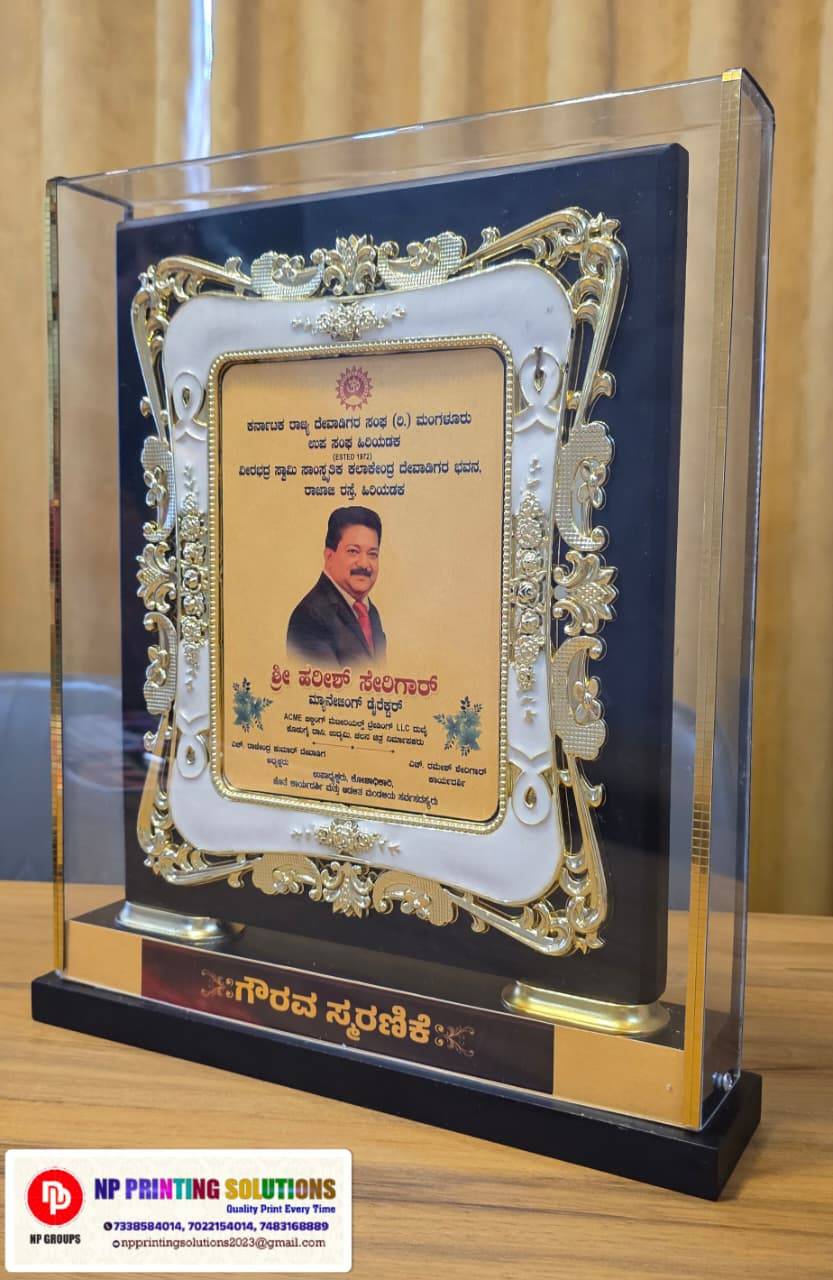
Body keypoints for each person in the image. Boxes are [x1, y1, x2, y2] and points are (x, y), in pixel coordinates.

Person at [287, 506, 387, 666]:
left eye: (372, 554)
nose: (364, 563)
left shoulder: (370, 613)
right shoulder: (309, 618)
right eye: (353, 551)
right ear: (329, 557)